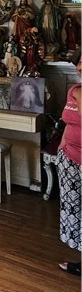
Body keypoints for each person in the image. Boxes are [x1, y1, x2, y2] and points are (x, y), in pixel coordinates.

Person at [58, 48, 81, 275]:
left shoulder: (79, 92)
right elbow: (68, 121)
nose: (79, 67)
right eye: (77, 63)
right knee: (74, 209)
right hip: (69, 158)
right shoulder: (73, 90)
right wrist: (61, 146)